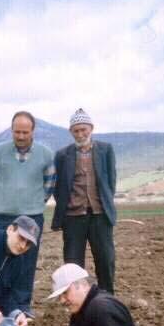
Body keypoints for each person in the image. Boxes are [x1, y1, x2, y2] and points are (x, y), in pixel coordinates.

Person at [0, 111, 55, 311]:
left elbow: (49, 185)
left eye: (25, 132)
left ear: (33, 131)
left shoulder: (45, 154)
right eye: (17, 132)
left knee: (26, 263)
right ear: (11, 130)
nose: (21, 136)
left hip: (32, 216)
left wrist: (31, 202)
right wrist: (7, 199)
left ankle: (22, 306)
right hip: (2, 217)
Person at [51, 108, 116, 293]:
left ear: (91, 128)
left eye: (83, 129)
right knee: (72, 263)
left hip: (100, 215)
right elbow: (59, 187)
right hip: (73, 217)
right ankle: (76, 299)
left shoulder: (105, 150)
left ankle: (107, 297)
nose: (80, 134)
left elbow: (110, 182)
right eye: (76, 130)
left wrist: (104, 203)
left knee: (105, 259)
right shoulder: (62, 155)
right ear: (71, 132)